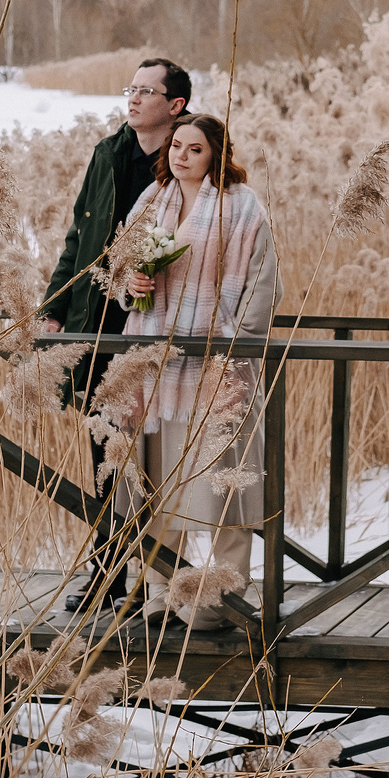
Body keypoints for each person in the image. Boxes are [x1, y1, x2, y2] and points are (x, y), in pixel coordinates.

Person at [109, 114, 282, 626]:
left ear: (217, 155)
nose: (182, 156)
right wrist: (130, 285)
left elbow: (264, 283)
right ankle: (161, 592)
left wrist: (232, 342)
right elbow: (117, 271)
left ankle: (229, 596)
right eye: (177, 146)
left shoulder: (240, 206)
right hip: (153, 364)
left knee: (222, 476)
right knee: (157, 479)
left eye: (196, 149)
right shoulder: (150, 201)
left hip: (213, 364)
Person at [38, 56, 190, 611]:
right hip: (100, 322)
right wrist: (55, 306)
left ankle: (164, 584)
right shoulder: (108, 154)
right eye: (131, 88)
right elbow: (79, 236)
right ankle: (107, 575)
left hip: (162, 323)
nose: (133, 98)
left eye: (146, 91)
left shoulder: (192, 152)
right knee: (105, 447)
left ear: (174, 106)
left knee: (161, 454)